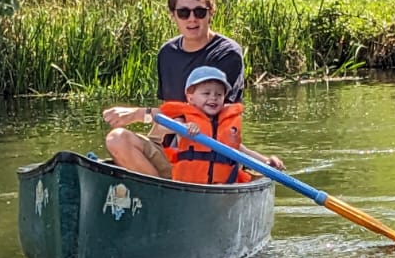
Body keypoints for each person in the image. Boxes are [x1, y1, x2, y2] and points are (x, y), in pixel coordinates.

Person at [103, 64, 285, 182]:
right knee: (116, 138)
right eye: (206, 93)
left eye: (218, 94)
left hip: (213, 188)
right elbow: (166, 128)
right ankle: (159, 191)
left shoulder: (224, 126)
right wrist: (183, 129)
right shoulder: (182, 118)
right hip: (177, 177)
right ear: (190, 97)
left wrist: (267, 161)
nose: (213, 98)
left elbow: (240, 152)